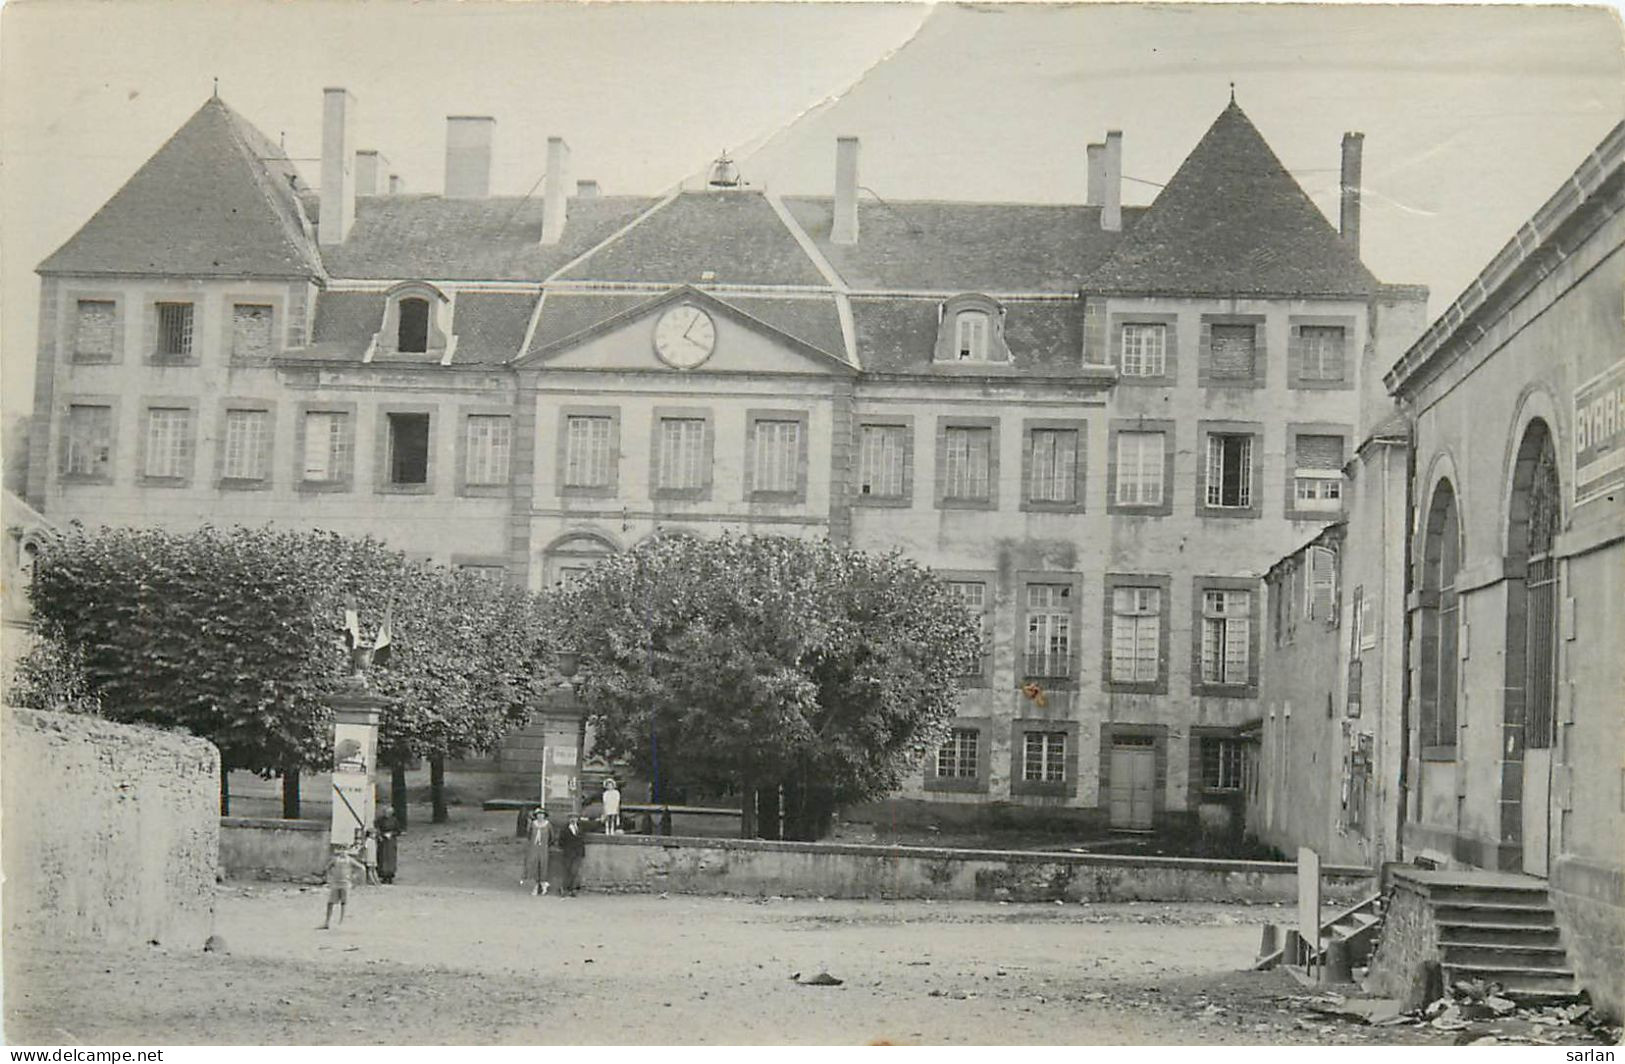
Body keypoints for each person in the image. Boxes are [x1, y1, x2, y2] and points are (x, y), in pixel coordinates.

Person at [320, 844, 366, 929]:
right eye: (341, 849)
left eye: (345, 849)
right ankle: (327, 922)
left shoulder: (350, 860)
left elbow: (362, 868)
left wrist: (354, 877)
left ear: (348, 851)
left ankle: (341, 921)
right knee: (330, 902)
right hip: (336, 883)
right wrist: (329, 877)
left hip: (346, 883)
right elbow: (327, 868)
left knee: (344, 903)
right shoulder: (335, 860)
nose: (343, 852)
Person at [522, 808, 552, 896]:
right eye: (538, 814)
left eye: (542, 814)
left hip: (543, 848)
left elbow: (551, 837)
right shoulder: (533, 824)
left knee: (543, 865)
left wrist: (546, 844)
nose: (540, 816)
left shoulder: (548, 825)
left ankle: (543, 886)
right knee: (534, 865)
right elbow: (529, 835)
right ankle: (535, 886)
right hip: (534, 847)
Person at [557, 813, 586, 896]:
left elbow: (582, 840)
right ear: (569, 819)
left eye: (575, 818)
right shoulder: (564, 829)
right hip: (568, 853)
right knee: (567, 871)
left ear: (577, 819)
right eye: (571, 818)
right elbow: (561, 841)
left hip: (578, 853)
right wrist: (566, 848)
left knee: (575, 871)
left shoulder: (580, 828)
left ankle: (572, 889)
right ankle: (564, 888)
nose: (573, 820)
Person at [374, 812, 400, 885]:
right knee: (383, 857)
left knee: (391, 858)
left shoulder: (394, 820)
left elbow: (398, 831)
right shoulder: (380, 820)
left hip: (391, 842)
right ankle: (383, 875)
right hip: (383, 842)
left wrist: (391, 834)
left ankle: (390, 876)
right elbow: (377, 828)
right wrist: (381, 835)